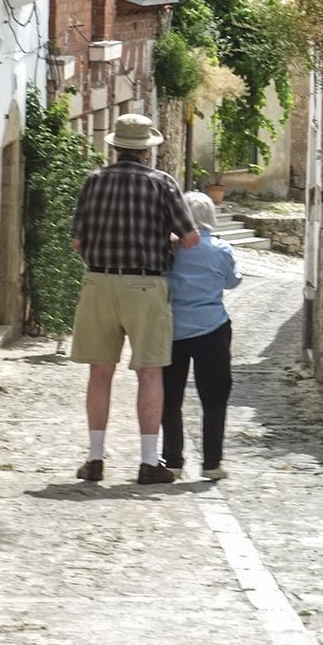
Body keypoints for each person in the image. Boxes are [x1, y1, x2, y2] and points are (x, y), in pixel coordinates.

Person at [68, 112, 199, 486]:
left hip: (98, 282)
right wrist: (164, 240)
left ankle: (94, 460)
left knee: (99, 372)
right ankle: (146, 462)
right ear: (147, 151)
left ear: (114, 147)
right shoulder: (162, 183)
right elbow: (190, 238)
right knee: (150, 372)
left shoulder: (93, 181)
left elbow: (77, 241)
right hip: (145, 286)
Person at [162, 191, 242, 481]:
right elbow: (233, 281)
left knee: (170, 397)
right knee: (215, 396)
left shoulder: (168, 249)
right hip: (212, 327)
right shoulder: (221, 250)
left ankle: (172, 460)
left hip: (173, 327)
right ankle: (211, 463)